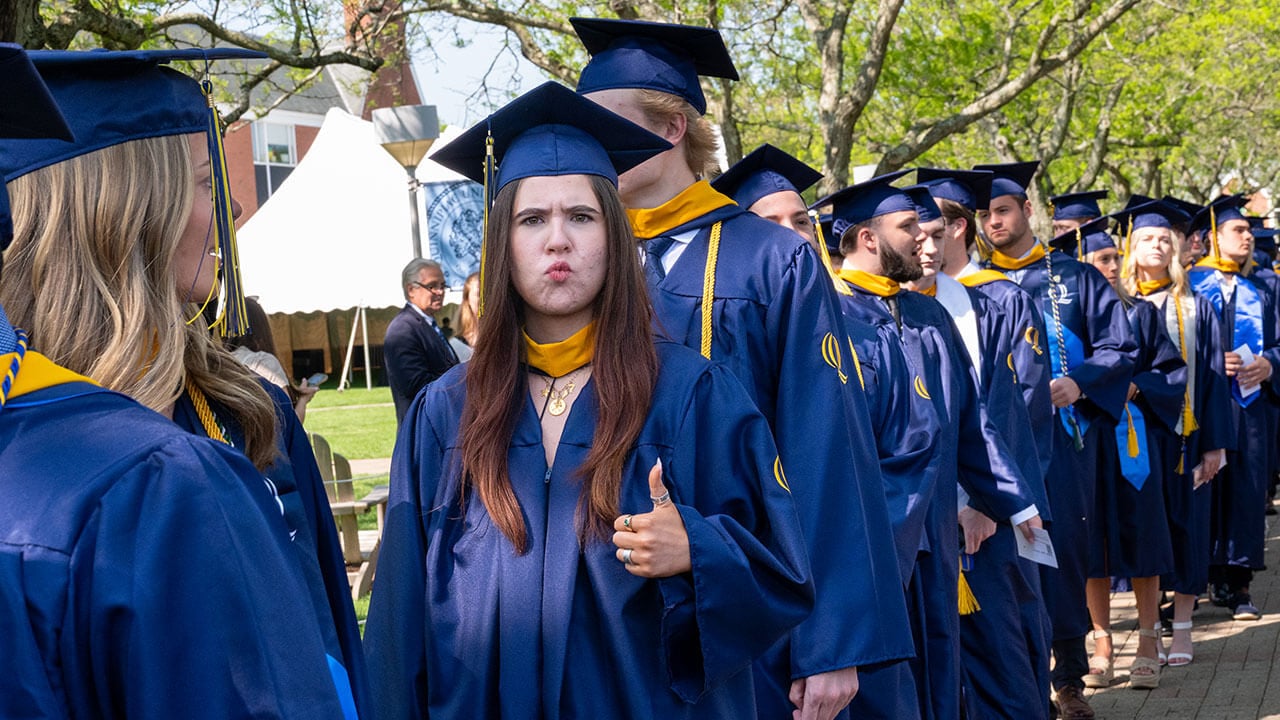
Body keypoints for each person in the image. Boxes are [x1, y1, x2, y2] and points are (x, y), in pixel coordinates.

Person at [364, 81, 813, 719]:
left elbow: (782, 569)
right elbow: (397, 623)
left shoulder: (692, 396)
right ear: (501, 243)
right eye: (531, 219)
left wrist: (698, 549)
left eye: (581, 216)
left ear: (614, 235)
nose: (558, 240)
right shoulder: (446, 412)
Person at [0, 48, 366, 718]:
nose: (231, 209)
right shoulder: (29, 436)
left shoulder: (250, 413)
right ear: (127, 213)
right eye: (204, 182)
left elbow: (328, 640)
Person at [572, 18, 913, 719]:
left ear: (672, 128)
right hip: (607, 603)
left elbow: (826, 445)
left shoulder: (770, 260)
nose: (589, 144)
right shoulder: (579, 261)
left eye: (608, 123)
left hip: (750, 599)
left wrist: (831, 640)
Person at [827, 174, 1041, 720]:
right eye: (908, 228)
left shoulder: (928, 313)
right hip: (876, 533)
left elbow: (971, 421)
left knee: (942, 661)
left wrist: (1016, 501)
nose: (925, 240)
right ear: (868, 238)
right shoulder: (829, 316)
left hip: (936, 527)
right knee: (889, 680)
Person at [975, 160, 1135, 720]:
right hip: (998, 443)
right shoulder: (970, 285)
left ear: (1027, 210)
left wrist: (1079, 382)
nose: (994, 222)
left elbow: (1120, 346)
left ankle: (1069, 680)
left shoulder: (1075, 277)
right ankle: (1022, 681)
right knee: (1010, 559)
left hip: (1063, 443)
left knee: (1061, 555)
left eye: (1002, 210)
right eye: (985, 214)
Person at [909, 176, 1051, 719]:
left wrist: (987, 502)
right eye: (914, 233)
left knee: (1004, 652)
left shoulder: (989, 304)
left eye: (934, 232)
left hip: (986, 516)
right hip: (917, 521)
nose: (926, 246)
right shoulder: (865, 315)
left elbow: (1017, 409)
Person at [1059, 218, 1184, 690]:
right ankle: (1103, 643)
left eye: (1115, 258)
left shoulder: (1140, 313)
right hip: (1086, 438)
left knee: (1142, 534)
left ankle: (1149, 639)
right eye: (1101, 260)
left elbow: (1170, 370)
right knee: (1092, 540)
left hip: (1132, 441)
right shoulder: (1064, 321)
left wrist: (1139, 385)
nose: (1111, 267)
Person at [1119, 198, 1233, 667]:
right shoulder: (1115, 303)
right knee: (1145, 532)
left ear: (1176, 249)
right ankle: (1150, 628)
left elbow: (1213, 377)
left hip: (1185, 436)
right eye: (1147, 237)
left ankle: (1183, 626)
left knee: (1189, 527)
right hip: (1133, 439)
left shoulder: (1195, 306)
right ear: (1131, 247)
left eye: (1165, 239)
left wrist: (1216, 444)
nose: (1157, 245)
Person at [1187, 195, 1279, 621]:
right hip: (1204, 404)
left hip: (1250, 405)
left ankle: (1240, 585)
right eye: (1238, 230)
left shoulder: (1263, 287)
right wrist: (1208, 358)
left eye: (1248, 231)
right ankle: (1192, 583)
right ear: (1213, 236)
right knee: (1202, 486)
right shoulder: (1189, 285)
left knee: (1245, 489)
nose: (1248, 237)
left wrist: (1269, 363)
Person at [385, 258, 460, 422]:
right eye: (432, 286)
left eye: (442, 286)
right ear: (411, 290)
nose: (440, 292)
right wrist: (462, 381)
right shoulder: (402, 329)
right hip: (423, 428)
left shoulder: (428, 324)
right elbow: (416, 386)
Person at [228, 296, 319, 421]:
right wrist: (303, 400)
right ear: (261, 326)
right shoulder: (263, 362)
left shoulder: (221, 361)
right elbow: (288, 422)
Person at [448, 270, 481, 361]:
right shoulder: (455, 345)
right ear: (467, 298)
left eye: (489, 293)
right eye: (479, 294)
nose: (485, 298)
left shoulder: (508, 336)